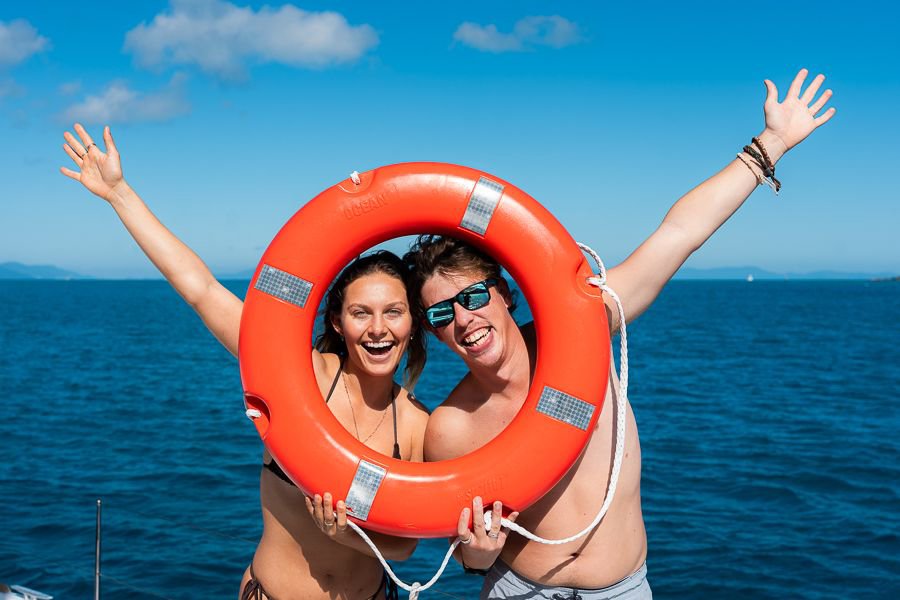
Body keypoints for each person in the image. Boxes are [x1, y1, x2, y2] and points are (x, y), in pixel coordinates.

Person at [405, 69, 836, 599]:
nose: (464, 318)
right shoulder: (450, 427)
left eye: (472, 296)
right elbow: (469, 556)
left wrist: (770, 144)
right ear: (432, 331)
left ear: (505, 293)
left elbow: (677, 235)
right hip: (521, 591)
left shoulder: (580, 333)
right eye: (441, 313)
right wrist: (479, 552)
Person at [59, 125, 431, 600]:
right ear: (338, 322)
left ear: (412, 324)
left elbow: (404, 546)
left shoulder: (417, 424)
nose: (378, 328)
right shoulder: (298, 376)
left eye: (393, 312)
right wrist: (119, 194)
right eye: (361, 313)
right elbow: (202, 289)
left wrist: (345, 534)